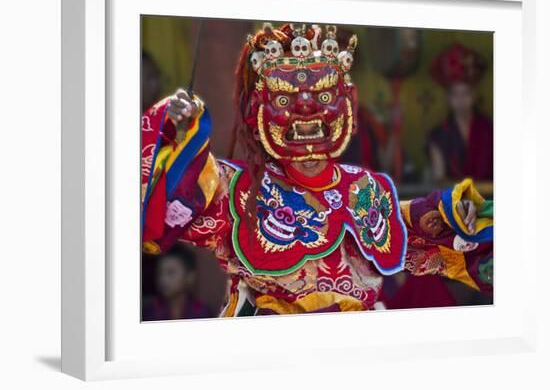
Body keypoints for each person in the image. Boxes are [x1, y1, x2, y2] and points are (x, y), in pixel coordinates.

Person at [141, 23, 493, 316]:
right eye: (284, 100)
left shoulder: (365, 187)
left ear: (348, 105)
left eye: (324, 97)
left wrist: (454, 215)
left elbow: (407, 238)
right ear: (257, 114)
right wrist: (173, 129)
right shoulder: (239, 190)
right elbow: (166, 196)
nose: (306, 111)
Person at [428, 43, 493, 182]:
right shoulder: (438, 136)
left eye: (466, 94)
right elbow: (439, 179)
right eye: (455, 95)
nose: (461, 100)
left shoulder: (490, 130)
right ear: (448, 98)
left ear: (474, 95)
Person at [142, 244, 214, 320]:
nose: (163, 279)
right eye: (160, 272)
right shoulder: (151, 312)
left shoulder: (201, 313)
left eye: (171, 272)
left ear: (190, 277)